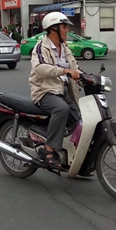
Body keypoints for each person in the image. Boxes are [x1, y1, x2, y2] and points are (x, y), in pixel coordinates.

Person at [29, 12, 81, 170]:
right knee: (61, 108)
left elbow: (74, 67)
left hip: (63, 91)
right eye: (64, 27)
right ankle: (49, 149)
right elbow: (40, 68)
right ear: (53, 29)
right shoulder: (41, 47)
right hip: (44, 92)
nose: (67, 31)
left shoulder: (64, 48)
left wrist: (85, 76)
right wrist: (64, 72)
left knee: (78, 118)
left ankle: (74, 154)